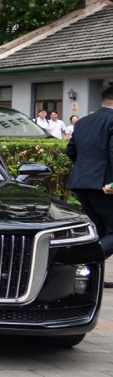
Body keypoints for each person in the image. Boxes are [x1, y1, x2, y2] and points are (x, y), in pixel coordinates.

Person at [66, 83, 113, 260]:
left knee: (99, 232)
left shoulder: (83, 122)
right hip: (106, 187)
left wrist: (87, 171)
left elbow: (71, 151)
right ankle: (81, 263)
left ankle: (88, 272)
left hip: (82, 184)